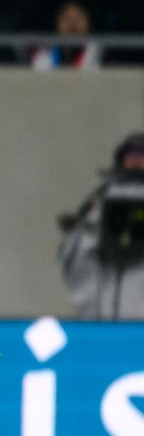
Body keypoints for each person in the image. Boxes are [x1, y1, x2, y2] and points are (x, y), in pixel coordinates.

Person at [58, 133, 144, 320]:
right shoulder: (103, 195)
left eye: (141, 156)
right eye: (132, 156)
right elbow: (78, 251)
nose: (136, 161)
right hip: (105, 300)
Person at [31, 2, 101, 71]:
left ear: (88, 23)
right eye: (67, 18)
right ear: (58, 23)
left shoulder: (100, 54)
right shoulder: (44, 54)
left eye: (78, 18)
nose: (72, 24)